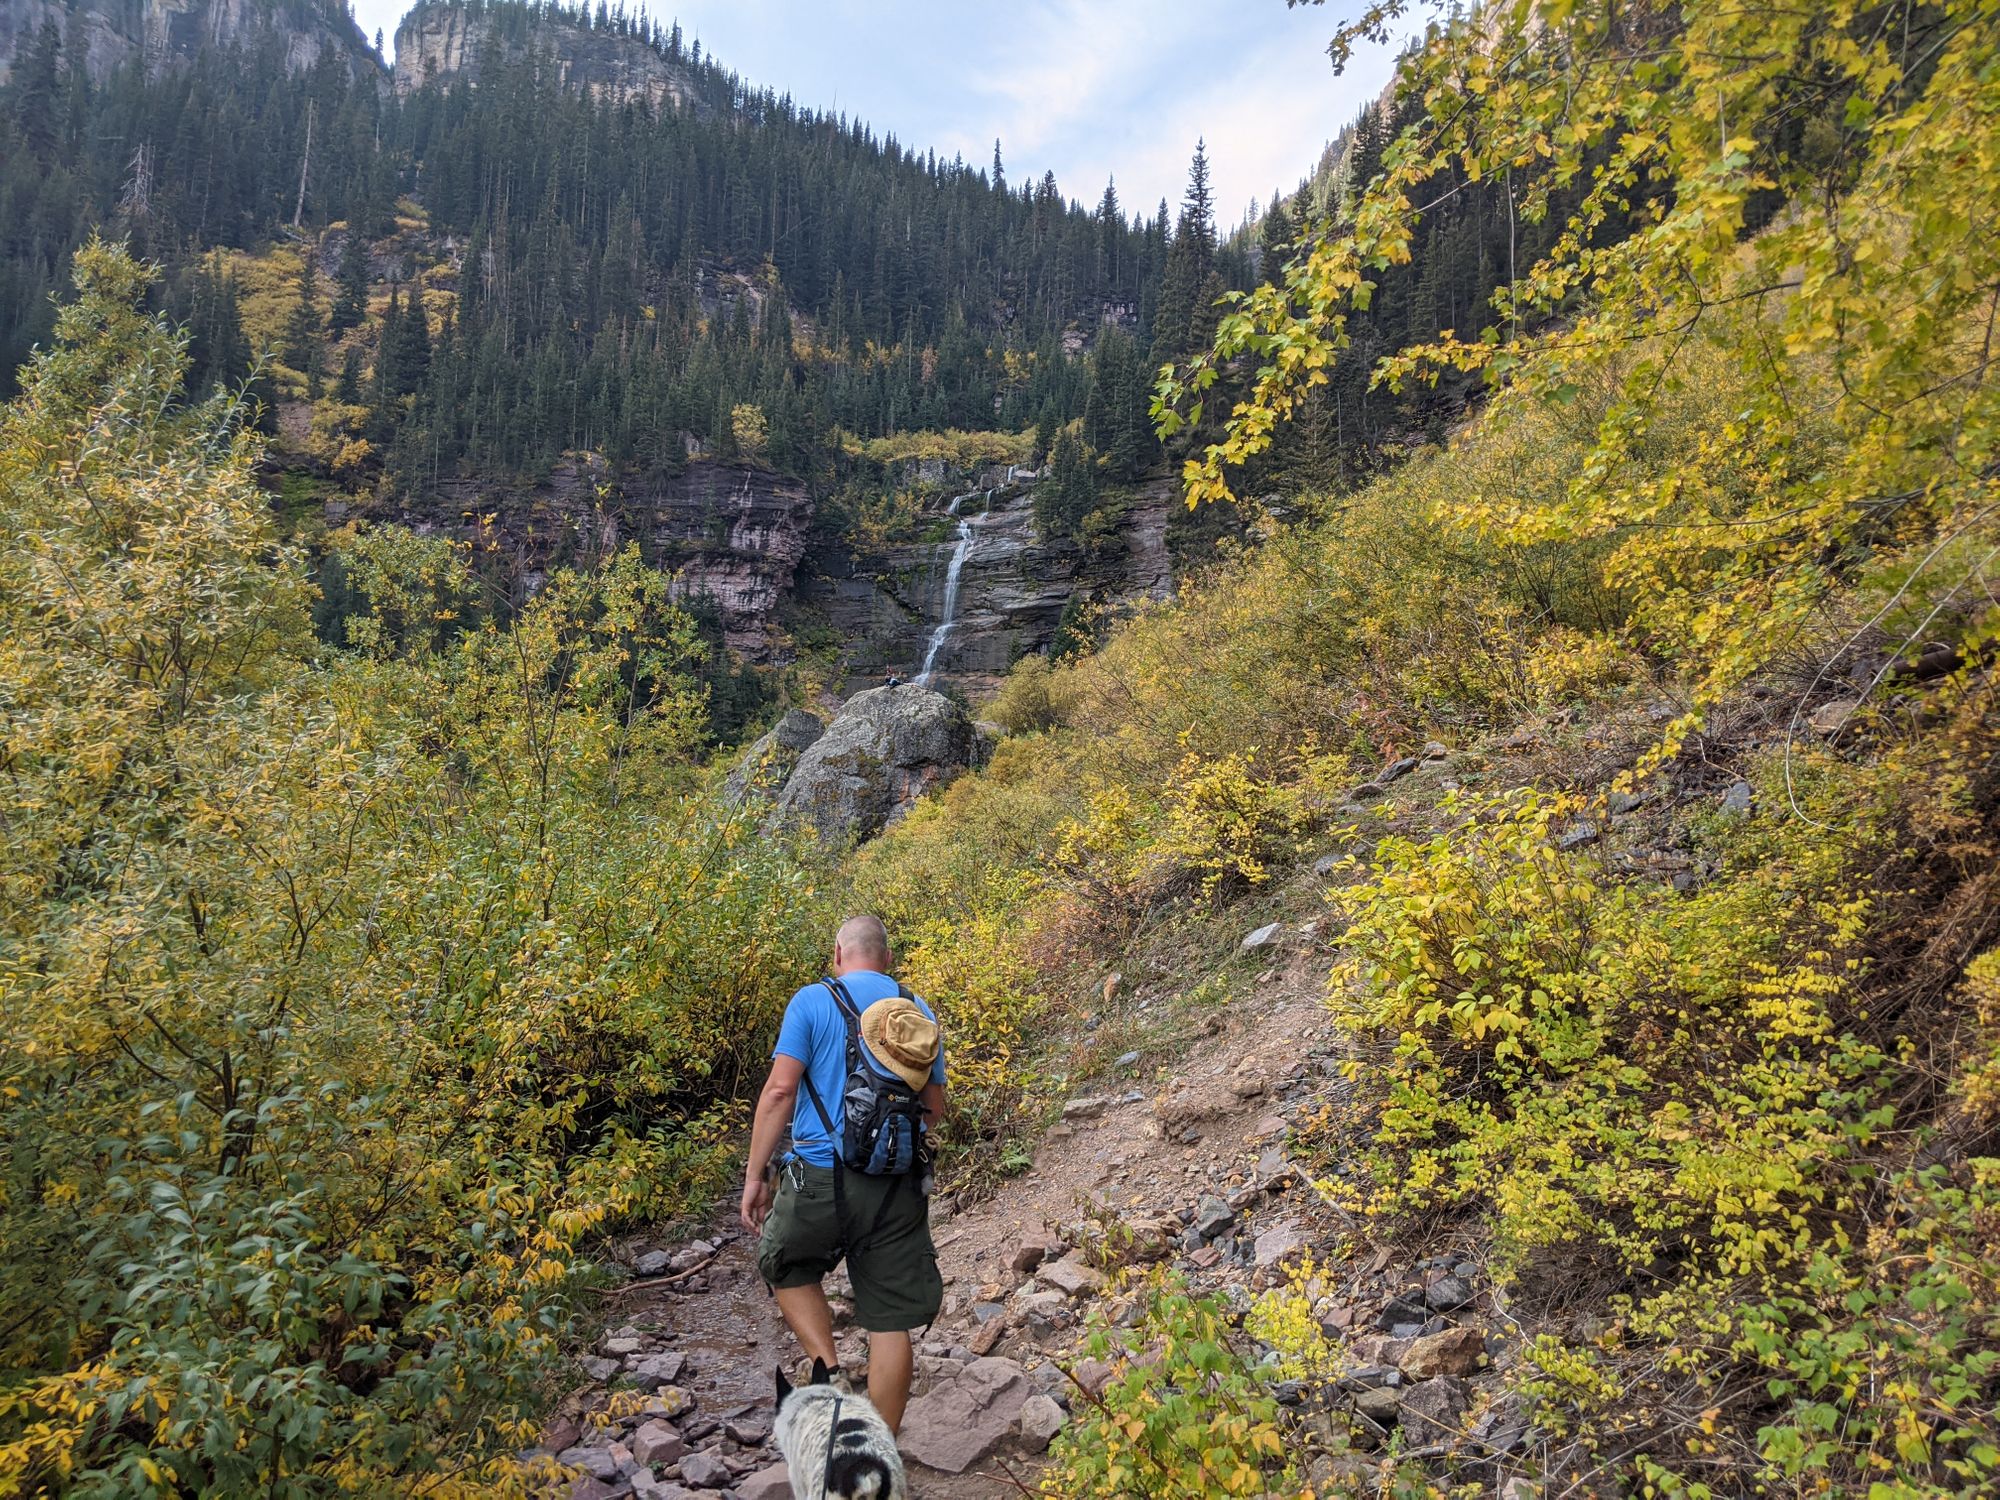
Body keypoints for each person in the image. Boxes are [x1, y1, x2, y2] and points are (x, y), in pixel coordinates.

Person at [741, 915, 945, 1434]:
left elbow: (780, 1092)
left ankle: (829, 1371)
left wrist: (756, 1176)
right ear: (888, 959)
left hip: (816, 1177)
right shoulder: (916, 1009)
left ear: (837, 954)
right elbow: (935, 1107)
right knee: (890, 1318)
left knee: (785, 1262)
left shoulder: (811, 1000)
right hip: (894, 1185)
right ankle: (879, 1450)